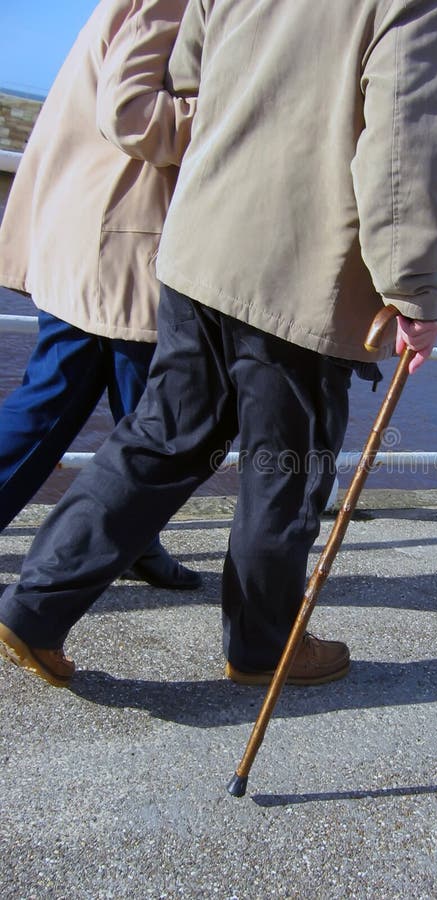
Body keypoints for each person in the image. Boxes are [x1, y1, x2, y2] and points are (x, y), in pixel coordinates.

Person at [0, 0, 437, 689]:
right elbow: (411, 141)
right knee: (285, 468)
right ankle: (264, 648)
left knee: (161, 437)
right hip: (300, 264)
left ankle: (34, 607)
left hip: (199, 241)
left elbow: (191, 71)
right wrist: (413, 288)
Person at [0, 0, 201, 590]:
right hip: (117, 240)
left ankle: (136, 542)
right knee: (144, 422)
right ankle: (127, 547)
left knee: (135, 416)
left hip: (104, 231)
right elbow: (131, 113)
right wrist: (237, 120)